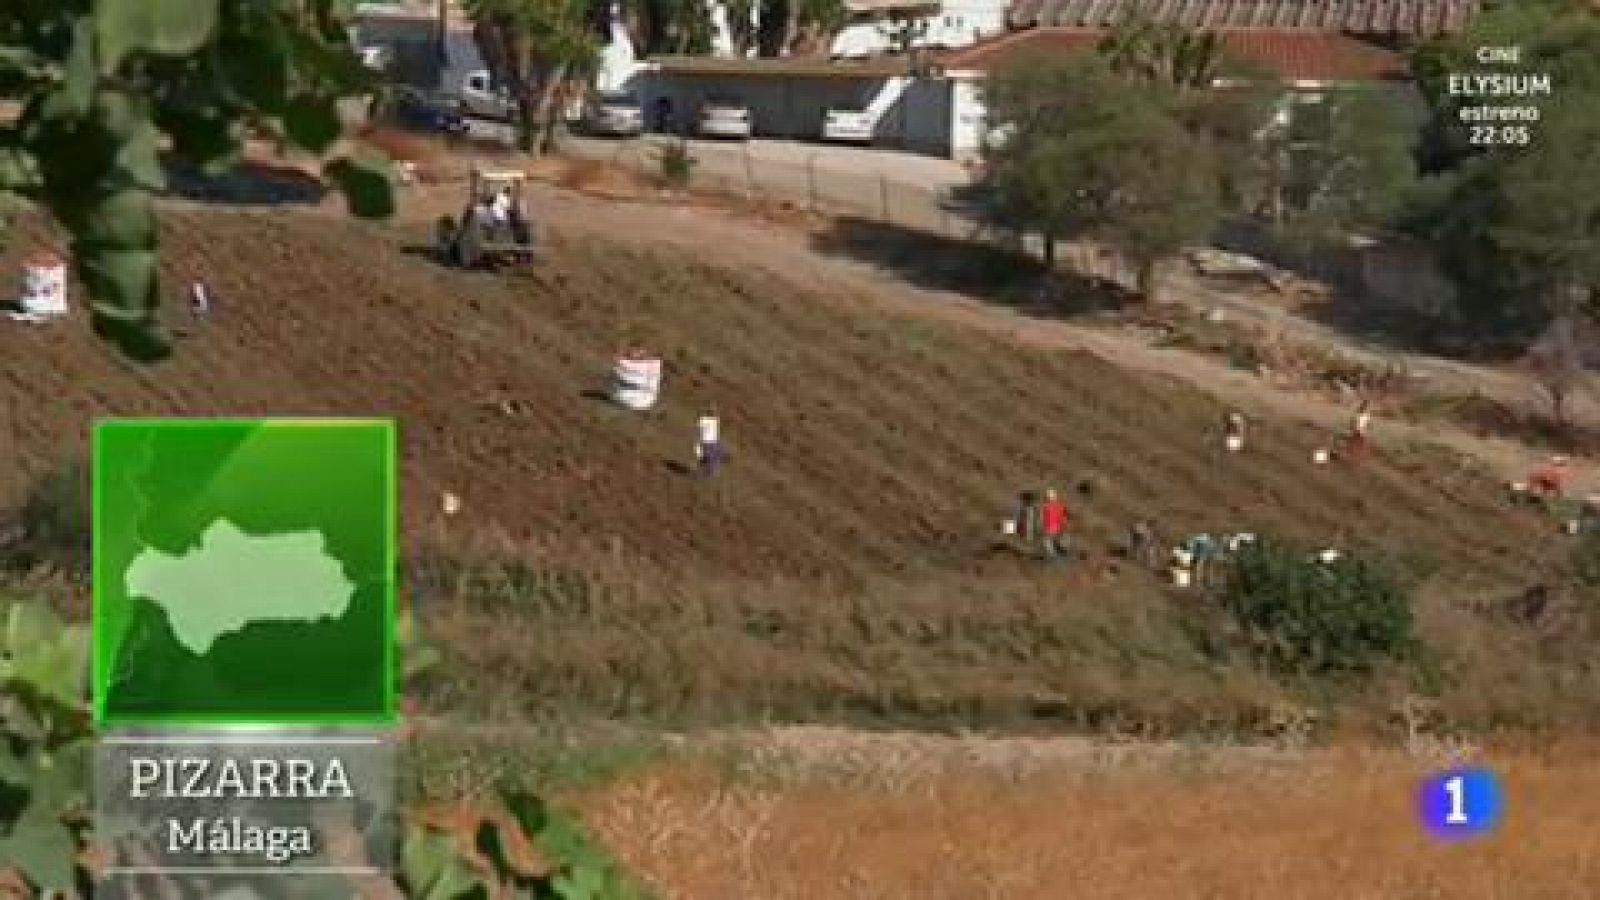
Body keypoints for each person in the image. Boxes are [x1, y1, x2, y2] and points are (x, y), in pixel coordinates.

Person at [1040, 489, 1069, 560]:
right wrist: (1064, 525)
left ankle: (1052, 554)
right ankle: (1062, 549)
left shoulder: (1045, 507)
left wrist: (1044, 526)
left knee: (1047, 540)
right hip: (1059, 527)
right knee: (1059, 538)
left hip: (1050, 528)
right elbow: (1064, 517)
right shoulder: (1060, 506)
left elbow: (1043, 518)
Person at [695, 411, 723, 478]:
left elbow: (698, 425)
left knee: (705, 457)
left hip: (708, 441)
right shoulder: (714, 420)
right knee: (709, 457)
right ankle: (708, 471)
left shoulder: (707, 420)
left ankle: (705, 471)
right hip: (711, 441)